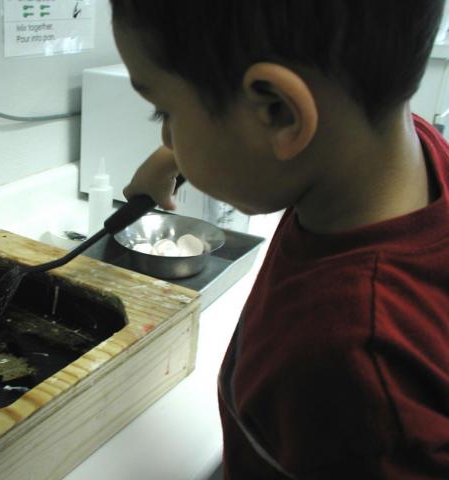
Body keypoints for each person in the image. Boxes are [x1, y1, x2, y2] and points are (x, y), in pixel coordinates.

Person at [109, 1, 449, 478]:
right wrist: (175, 156)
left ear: (278, 111)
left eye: (165, 112)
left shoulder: (352, 368)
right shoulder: (389, 156)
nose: (168, 135)